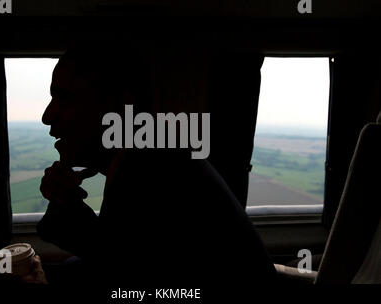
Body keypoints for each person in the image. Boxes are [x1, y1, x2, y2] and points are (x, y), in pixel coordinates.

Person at [35, 43, 277, 291]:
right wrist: (65, 203)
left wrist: (68, 212)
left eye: (64, 97)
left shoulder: (150, 168)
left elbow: (130, 283)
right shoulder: (150, 154)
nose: (47, 115)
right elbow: (123, 260)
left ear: (121, 106)